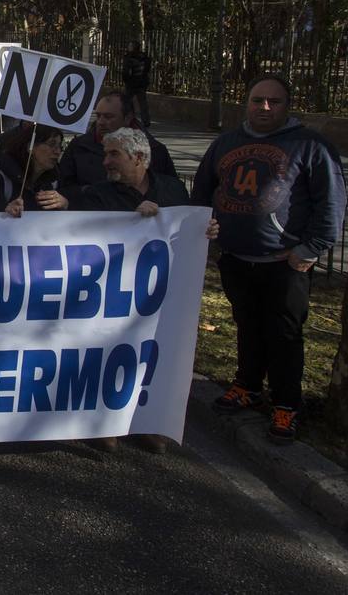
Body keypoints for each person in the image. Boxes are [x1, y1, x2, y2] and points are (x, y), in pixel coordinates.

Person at [192, 75, 347, 443]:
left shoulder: (310, 145)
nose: (264, 107)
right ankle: (247, 385)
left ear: (286, 106)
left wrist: (310, 248)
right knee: (246, 324)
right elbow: (202, 191)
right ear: (245, 102)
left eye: (273, 102)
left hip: (285, 262)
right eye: (257, 100)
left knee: (284, 334)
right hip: (236, 257)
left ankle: (286, 404)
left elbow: (332, 202)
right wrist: (202, 230)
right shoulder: (226, 143)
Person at [71, 127, 219, 454]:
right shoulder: (97, 195)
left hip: (160, 293)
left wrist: (204, 229)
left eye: (114, 155)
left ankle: (149, 422)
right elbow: (84, 235)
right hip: (112, 294)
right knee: (107, 354)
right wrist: (132, 222)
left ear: (139, 158)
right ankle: (105, 424)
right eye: (105, 154)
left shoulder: (173, 189)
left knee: (154, 355)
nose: (105, 161)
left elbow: (188, 227)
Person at [58, 91, 175, 199]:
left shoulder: (155, 150)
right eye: (98, 116)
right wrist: (89, 192)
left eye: (108, 117)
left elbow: (171, 192)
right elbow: (62, 190)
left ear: (128, 118)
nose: (101, 122)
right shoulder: (79, 147)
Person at [0, 124, 67, 216]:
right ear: (30, 147)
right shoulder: (1, 181)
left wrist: (65, 204)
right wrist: (4, 211)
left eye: (60, 146)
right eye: (52, 144)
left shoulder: (55, 182)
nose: (57, 151)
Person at [122, 41, 152, 127]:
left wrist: (126, 80)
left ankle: (130, 119)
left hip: (132, 83)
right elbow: (147, 69)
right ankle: (146, 121)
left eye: (130, 45)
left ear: (134, 47)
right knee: (143, 103)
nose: (129, 47)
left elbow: (126, 72)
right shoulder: (144, 57)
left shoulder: (129, 57)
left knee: (127, 101)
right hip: (141, 82)